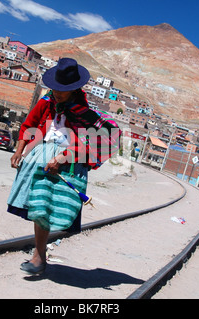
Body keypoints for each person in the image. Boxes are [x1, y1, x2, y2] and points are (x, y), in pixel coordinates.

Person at [7, 57, 120, 275]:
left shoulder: (82, 111)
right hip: (42, 157)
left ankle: (39, 257)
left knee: (50, 208)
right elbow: (29, 125)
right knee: (39, 207)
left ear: (74, 89)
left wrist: (62, 159)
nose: (56, 93)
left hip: (67, 163)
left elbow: (86, 141)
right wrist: (19, 150)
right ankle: (39, 257)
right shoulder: (46, 102)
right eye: (55, 88)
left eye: (62, 90)